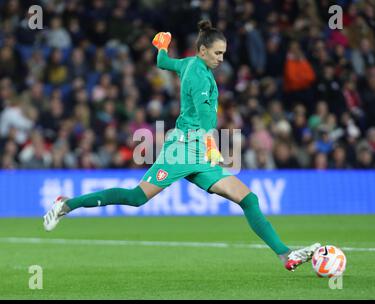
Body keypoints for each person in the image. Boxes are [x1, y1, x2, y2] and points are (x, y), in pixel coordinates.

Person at [43, 20, 320, 271]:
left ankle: (285, 255)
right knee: (137, 197)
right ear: (202, 51)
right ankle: (67, 204)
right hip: (182, 149)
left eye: (223, 53)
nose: (221, 59)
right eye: (217, 53)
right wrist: (212, 144)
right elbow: (205, 117)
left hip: (198, 151)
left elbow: (164, 63)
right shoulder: (200, 76)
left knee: (248, 199)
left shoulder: (188, 63)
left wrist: (162, 47)